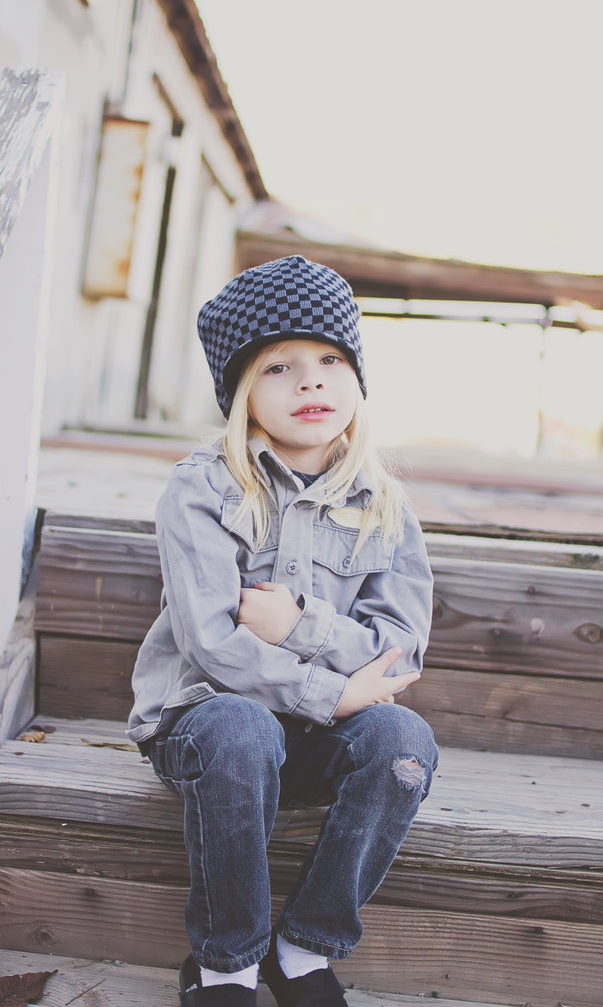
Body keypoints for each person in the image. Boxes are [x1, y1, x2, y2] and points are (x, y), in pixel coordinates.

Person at [128, 255, 438, 1007]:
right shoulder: (203, 488)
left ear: (356, 379)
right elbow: (210, 640)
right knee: (239, 726)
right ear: (241, 393)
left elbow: (398, 652)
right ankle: (225, 962)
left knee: (404, 744)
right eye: (279, 366)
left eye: (330, 359)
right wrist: (334, 692)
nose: (310, 381)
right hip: (205, 733)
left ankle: (305, 946)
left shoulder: (384, 505)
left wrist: (300, 626)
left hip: (310, 741)